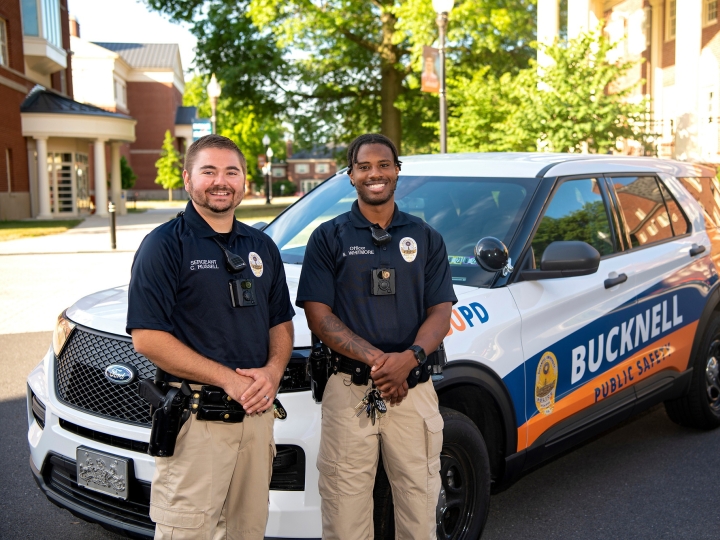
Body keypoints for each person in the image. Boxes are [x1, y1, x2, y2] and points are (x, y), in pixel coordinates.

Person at [127, 134, 295, 540]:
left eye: (231, 172)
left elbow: (281, 323)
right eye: (209, 171)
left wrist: (273, 372)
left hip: (256, 420)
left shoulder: (261, 246)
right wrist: (229, 380)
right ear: (188, 180)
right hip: (197, 423)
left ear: (244, 182)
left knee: (248, 531)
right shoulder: (164, 246)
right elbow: (148, 337)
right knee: (188, 533)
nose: (221, 181)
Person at [296, 133, 457, 540]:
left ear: (397, 171)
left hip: (413, 389)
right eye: (364, 167)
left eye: (384, 165)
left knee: (420, 510)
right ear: (350, 176)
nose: (375, 174)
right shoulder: (327, 237)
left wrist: (411, 357)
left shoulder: (425, 238)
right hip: (349, 391)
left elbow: (441, 312)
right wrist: (381, 362)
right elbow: (318, 314)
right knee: (344, 513)